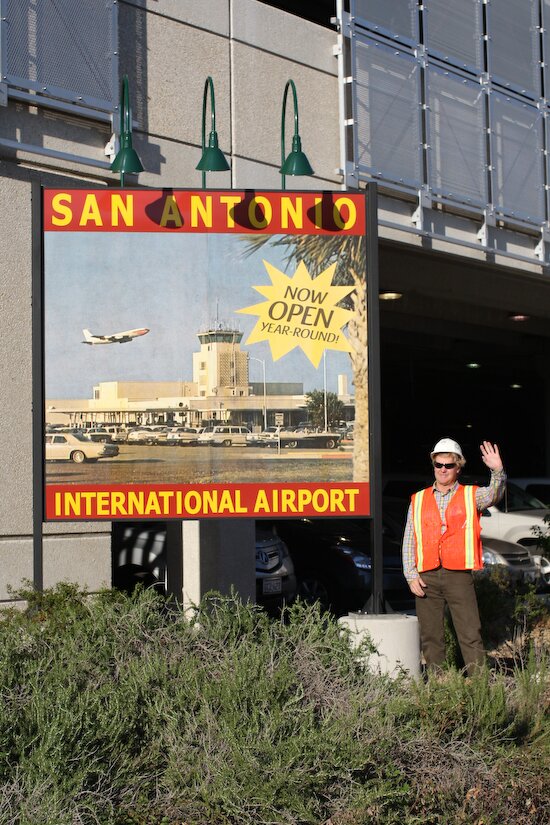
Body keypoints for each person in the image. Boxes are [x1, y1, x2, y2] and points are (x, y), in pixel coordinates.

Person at [402, 438, 506, 676]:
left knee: (470, 634)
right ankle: (439, 690)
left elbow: (494, 494)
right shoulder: (418, 499)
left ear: (458, 466)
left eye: (448, 465)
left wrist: (497, 470)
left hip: (458, 575)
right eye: (438, 464)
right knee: (431, 636)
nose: (443, 469)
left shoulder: (472, 495)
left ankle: (480, 689)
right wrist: (410, 574)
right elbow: (410, 537)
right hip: (426, 575)